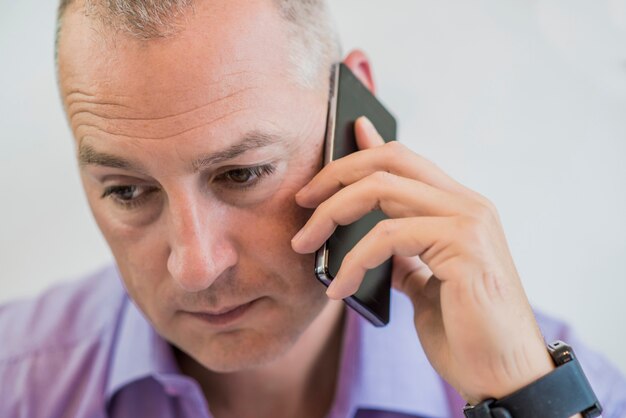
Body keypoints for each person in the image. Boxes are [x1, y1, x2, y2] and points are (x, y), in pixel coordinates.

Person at [1, 0, 625, 417]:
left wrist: (528, 400)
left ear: (354, 116)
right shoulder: (16, 379)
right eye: (128, 191)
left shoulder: (561, 384)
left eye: (241, 173)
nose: (195, 267)